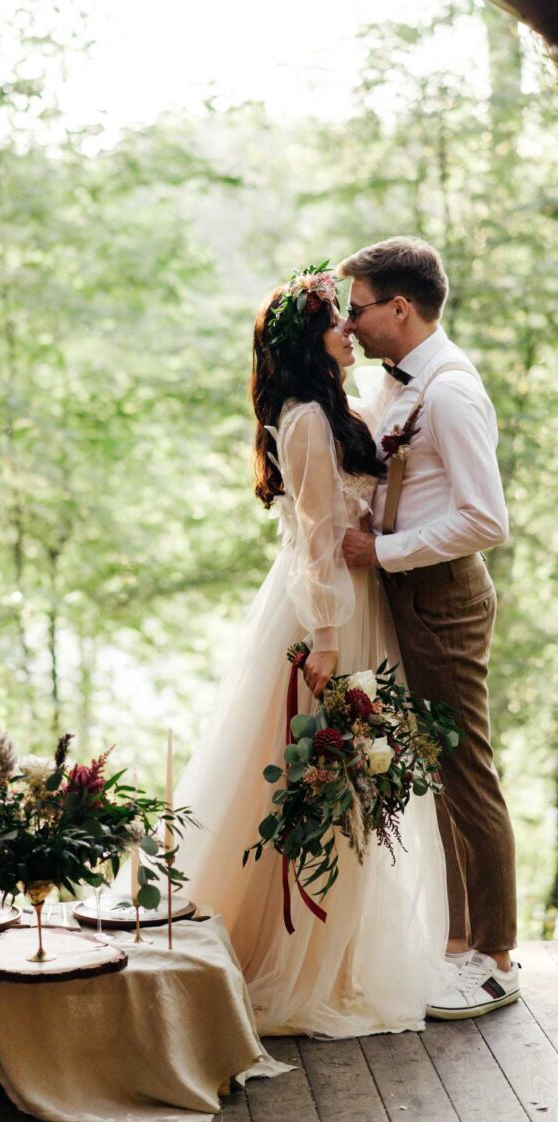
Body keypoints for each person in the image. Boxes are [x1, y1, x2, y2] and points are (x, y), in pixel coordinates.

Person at [174, 264, 448, 1038]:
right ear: (311, 341)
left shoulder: (337, 406)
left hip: (356, 606)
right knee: (325, 777)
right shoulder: (303, 420)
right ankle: (296, 955)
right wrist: (329, 639)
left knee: (355, 783)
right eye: (338, 320)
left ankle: (346, 951)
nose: (350, 330)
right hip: (324, 618)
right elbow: (319, 545)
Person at [337, 236, 518, 1019]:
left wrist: (385, 551)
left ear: (400, 308)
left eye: (361, 307)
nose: (354, 322)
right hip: (411, 594)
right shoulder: (403, 387)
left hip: (445, 597)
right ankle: (456, 941)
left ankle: (498, 956)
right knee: (438, 771)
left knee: (467, 772)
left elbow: (485, 518)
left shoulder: (448, 392)